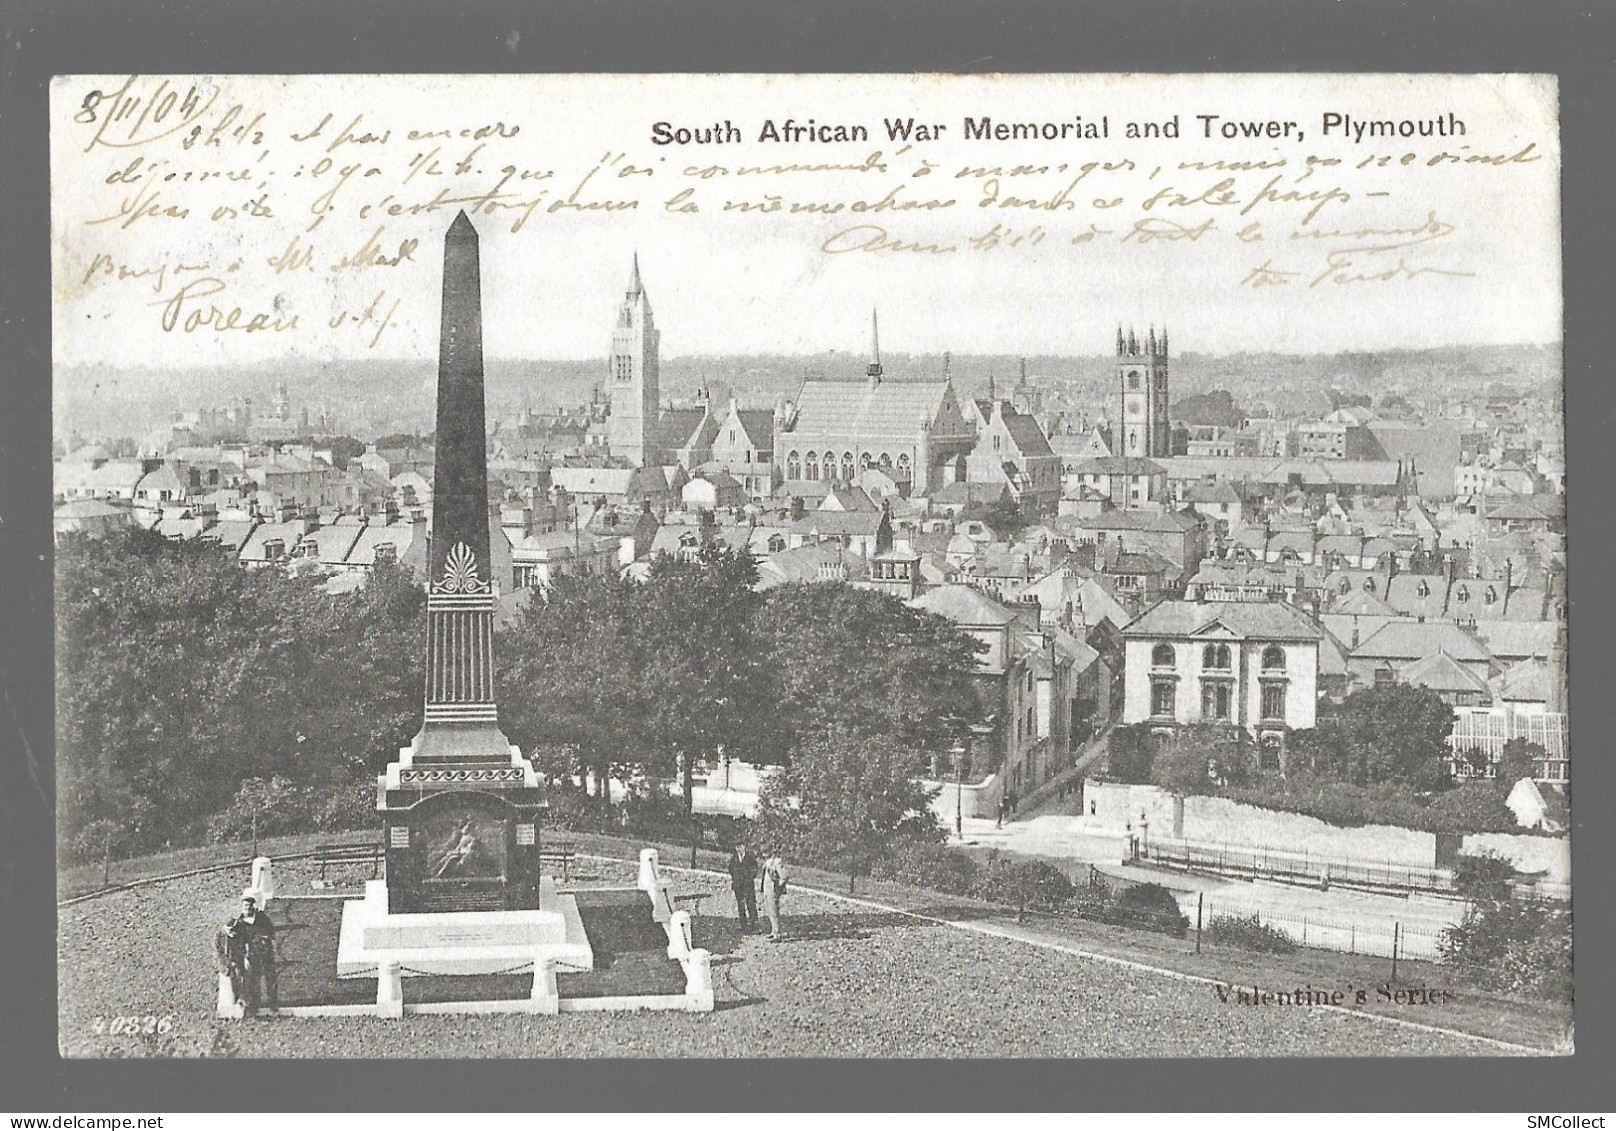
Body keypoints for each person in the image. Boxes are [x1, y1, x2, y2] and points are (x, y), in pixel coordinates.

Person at [235, 896, 277, 1016]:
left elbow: (271, 931)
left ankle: (273, 1003)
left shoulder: (262, 918)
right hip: (253, 955)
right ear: (242, 907)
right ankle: (256, 1005)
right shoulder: (240, 923)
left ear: (253, 906)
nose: (247, 908)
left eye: (249, 906)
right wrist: (244, 957)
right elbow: (240, 943)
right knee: (254, 980)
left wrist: (267, 938)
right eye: (245, 906)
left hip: (267, 952)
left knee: (271, 977)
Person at [214, 916, 248, 1010]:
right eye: (230, 929)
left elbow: (243, 948)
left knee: (241, 980)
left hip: (238, 963)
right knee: (229, 987)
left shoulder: (238, 934)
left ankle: (241, 1001)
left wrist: (243, 958)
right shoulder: (219, 937)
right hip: (227, 966)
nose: (233, 931)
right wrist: (229, 963)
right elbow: (219, 954)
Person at [727, 842, 759, 931]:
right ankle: (743, 925)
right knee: (740, 905)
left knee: (751, 904)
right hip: (738, 885)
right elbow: (730, 869)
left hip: (748, 885)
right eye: (737, 847)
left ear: (744, 847)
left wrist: (749, 877)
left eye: (740, 847)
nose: (739, 849)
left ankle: (754, 924)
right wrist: (736, 877)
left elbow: (755, 869)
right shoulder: (734, 858)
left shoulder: (750, 857)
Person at [760, 852, 789, 941]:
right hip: (767, 889)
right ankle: (774, 931)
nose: (764, 855)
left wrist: (778, 886)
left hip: (773, 889)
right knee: (770, 911)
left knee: (774, 911)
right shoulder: (768, 862)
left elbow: (784, 876)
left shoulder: (777, 862)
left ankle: (777, 933)